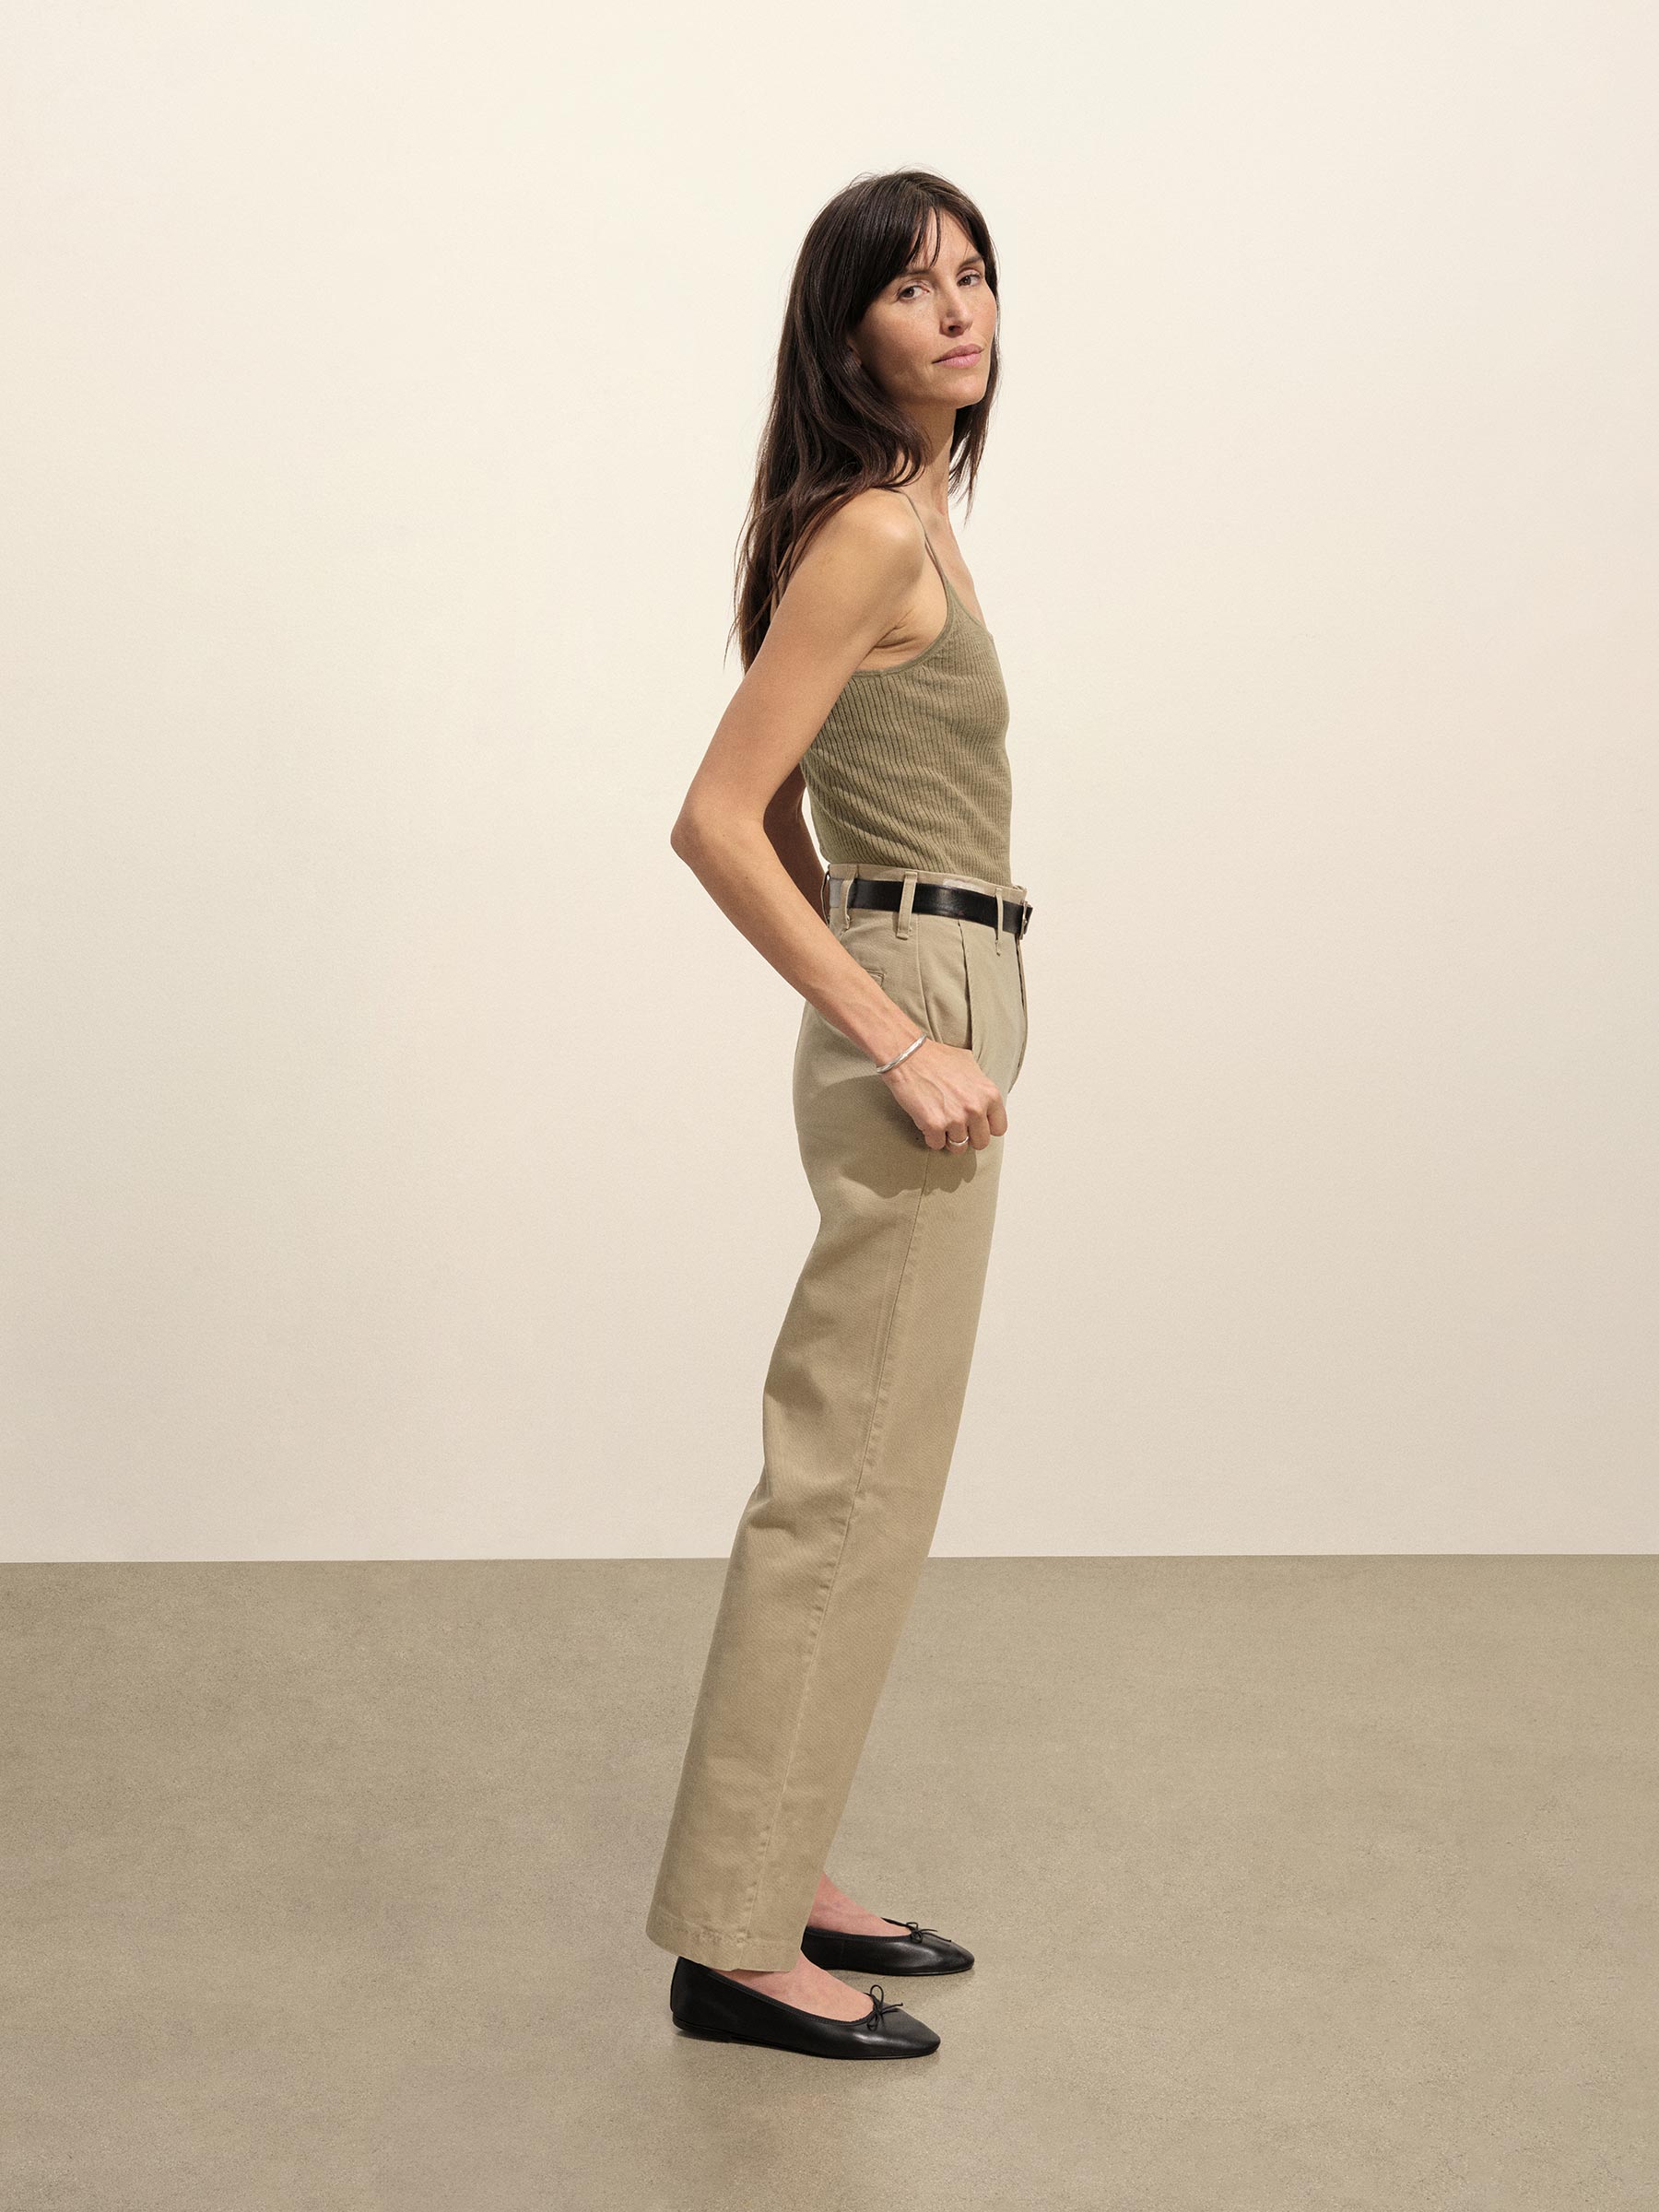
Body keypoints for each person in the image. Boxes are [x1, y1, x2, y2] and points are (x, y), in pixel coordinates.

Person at [646, 170, 1033, 2062]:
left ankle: (780, 1867)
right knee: (846, 1480)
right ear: (846, 332)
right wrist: (893, 1026)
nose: (956, 311)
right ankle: (733, 1946)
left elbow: (799, 809)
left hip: (950, 980)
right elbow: (719, 818)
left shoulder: (910, 517)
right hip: (921, 1011)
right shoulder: (875, 531)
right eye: (910, 287)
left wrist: (906, 995)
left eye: (974, 276)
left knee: (877, 1478)